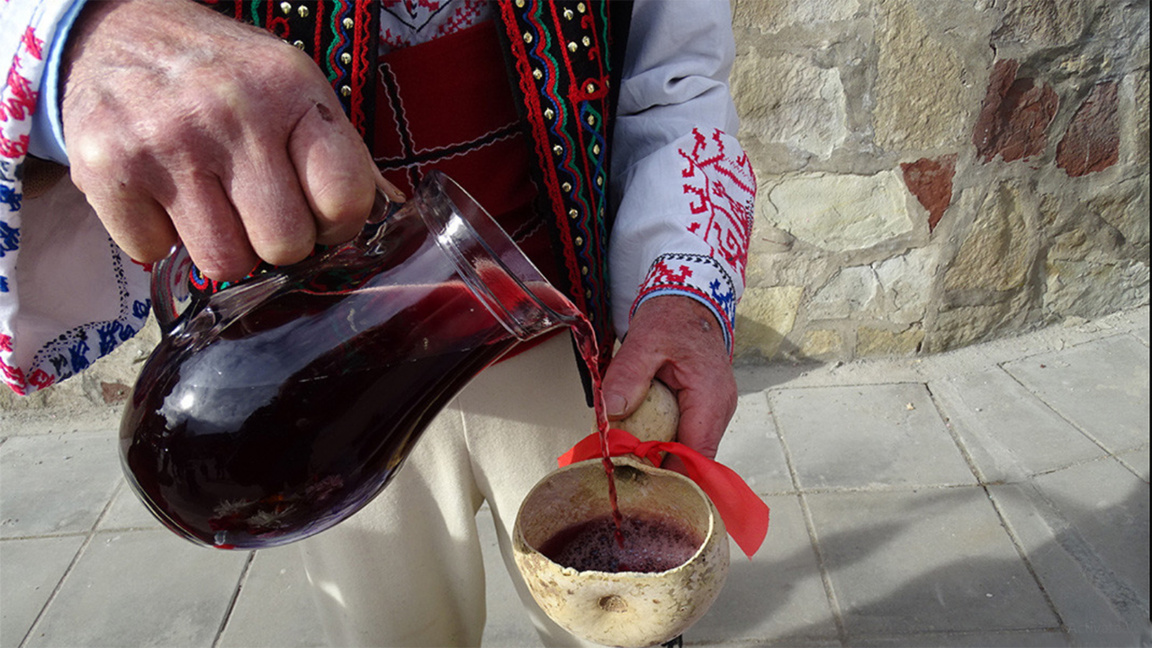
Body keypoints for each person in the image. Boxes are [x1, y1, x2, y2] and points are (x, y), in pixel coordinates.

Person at [1, 0, 757, 645]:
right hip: (320, 382)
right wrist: (82, 37)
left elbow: (674, 81)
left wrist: (683, 291)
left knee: (626, 628)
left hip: (564, 345)